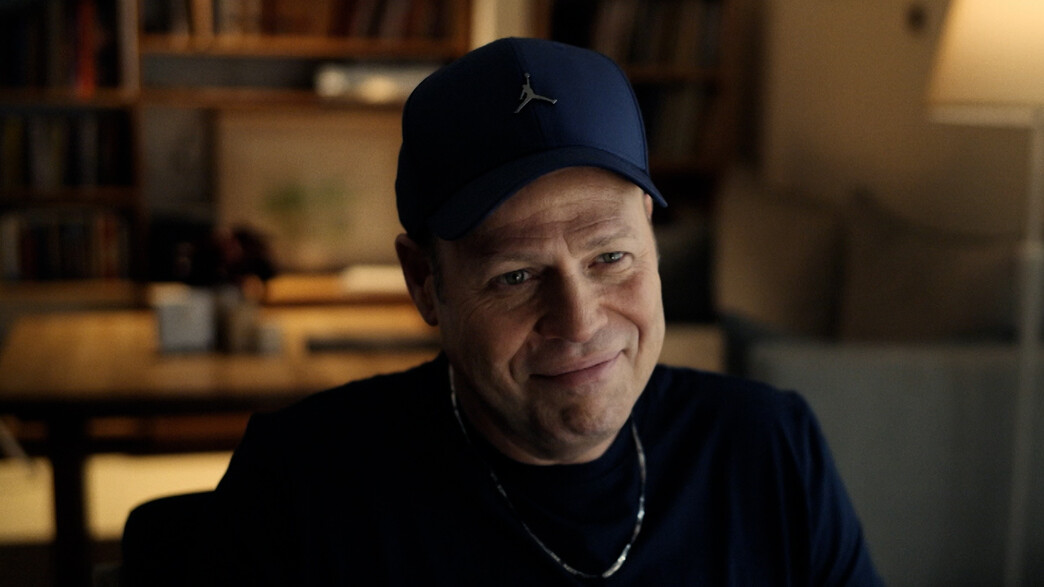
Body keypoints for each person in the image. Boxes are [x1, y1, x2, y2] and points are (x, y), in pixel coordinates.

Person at [209, 37, 883, 585]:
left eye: (610, 257)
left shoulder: (770, 449)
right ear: (425, 282)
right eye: (517, 275)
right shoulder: (299, 488)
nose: (581, 321)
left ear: (650, 235)